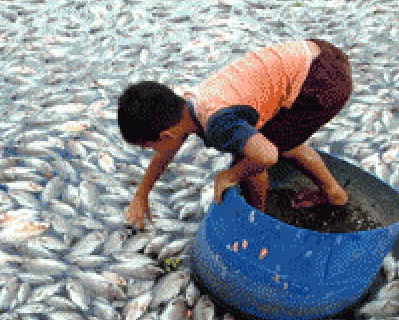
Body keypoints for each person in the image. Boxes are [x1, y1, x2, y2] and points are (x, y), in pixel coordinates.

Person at [117, 38, 353, 229]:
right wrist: (142, 194)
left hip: (322, 84)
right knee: (275, 140)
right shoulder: (190, 103)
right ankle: (334, 192)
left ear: (166, 135)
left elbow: (267, 156)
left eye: (148, 147)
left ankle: (257, 219)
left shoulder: (218, 123)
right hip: (320, 53)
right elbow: (166, 151)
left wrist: (230, 175)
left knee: (250, 157)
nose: (153, 152)